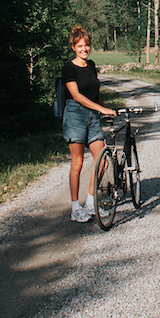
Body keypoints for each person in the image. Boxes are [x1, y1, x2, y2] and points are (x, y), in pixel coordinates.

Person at [61, 26, 116, 222]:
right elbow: (76, 95)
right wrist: (101, 109)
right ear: (73, 47)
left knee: (102, 161)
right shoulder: (69, 68)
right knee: (77, 163)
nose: (84, 49)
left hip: (93, 116)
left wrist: (106, 108)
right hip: (75, 115)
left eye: (86, 45)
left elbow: (94, 94)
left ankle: (91, 204)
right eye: (80, 46)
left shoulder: (91, 65)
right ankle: (76, 208)